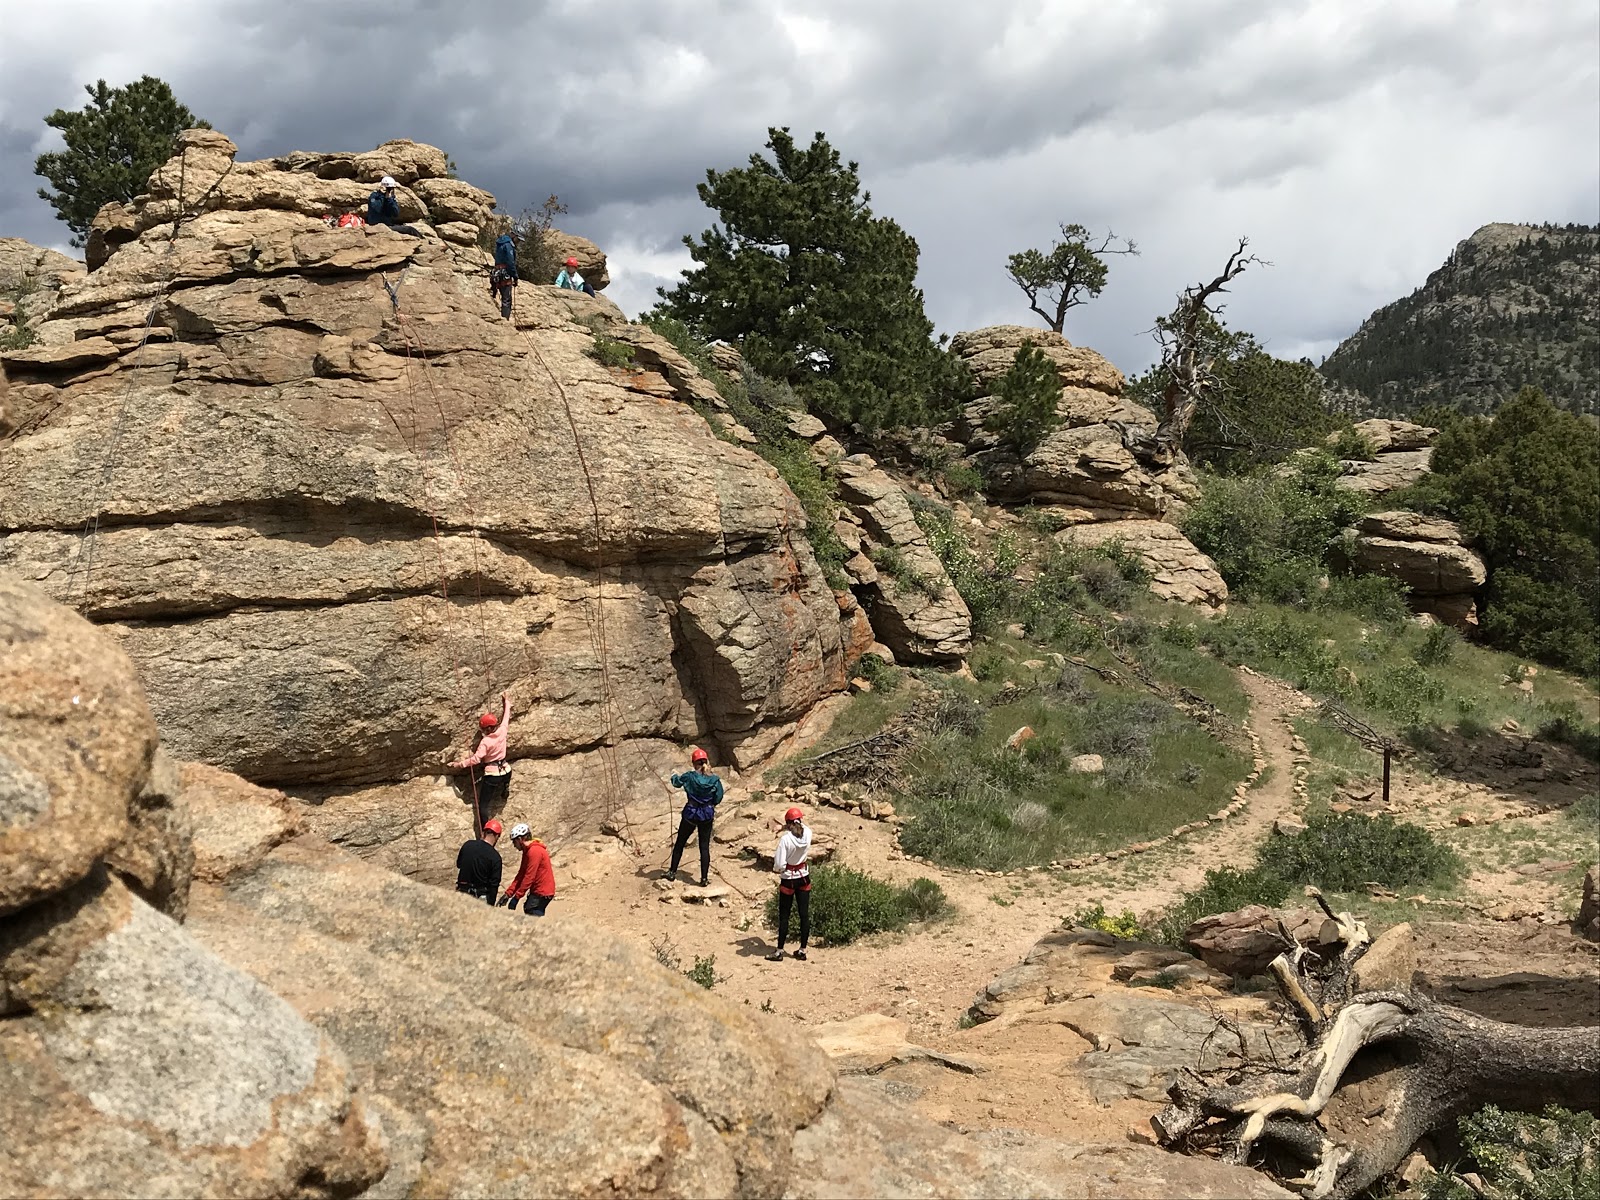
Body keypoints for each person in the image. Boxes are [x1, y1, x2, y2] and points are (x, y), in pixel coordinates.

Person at [450, 693, 512, 821]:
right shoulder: (502, 731)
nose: (482, 731)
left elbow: (476, 759)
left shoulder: (486, 742)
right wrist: (507, 702)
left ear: (488, 729)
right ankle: (505, 787)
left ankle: (485, 829)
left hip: (492, 776)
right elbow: (506, 717)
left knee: (483, 805)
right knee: (505, 778)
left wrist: (459, 764)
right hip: (506, 770)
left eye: (483, 729)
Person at [667, 747, 723, 886]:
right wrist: (710, 804)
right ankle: (704, 879)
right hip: (706, 815)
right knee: (704, 847)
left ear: (694, 763)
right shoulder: (714, 780)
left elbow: (676, 782)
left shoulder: (689, 776)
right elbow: (719, 796)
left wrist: (673, 775)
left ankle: (672, 872)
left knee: (680, 843)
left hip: (690, 814)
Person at [767, 807, 812, 962]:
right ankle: (803, 949)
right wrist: (784, 827)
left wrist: (777, 870)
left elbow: (779, 863)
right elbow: (799, 827)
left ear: (787, 822)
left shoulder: (785, 840)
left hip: (789, 878)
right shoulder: (808, 832)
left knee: (784, 915)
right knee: (804, 914)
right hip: (804, 876)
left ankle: (779, 951)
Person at [499, 823, 556, 916]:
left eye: (514, 842)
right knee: (529, 910)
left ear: (520, 839)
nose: (514, 845)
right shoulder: (528, 852)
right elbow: (521, 874)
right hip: (539, 891)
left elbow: (529, 876)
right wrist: (508, 894)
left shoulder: (534, 851)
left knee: (531, 912)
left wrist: (517, 897)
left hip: (542, 891)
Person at [455, 817, 504, 904]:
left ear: (483, 832)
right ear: (497, 836)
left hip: (461, 893)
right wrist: (491, 905)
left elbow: (459, 864)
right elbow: (494, 885)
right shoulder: (495, 857)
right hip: (479, 897)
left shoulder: (467, 845)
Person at [489, 232, 518, 319]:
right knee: (507, 299)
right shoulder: (508, 246)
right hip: (505, 273)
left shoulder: (500, 243)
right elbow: (510, 262)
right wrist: (515, 276)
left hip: (497, 271)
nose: (518, 242)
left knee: (498, 293)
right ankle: (505, 321)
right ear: (514, 236)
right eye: (518, 239)